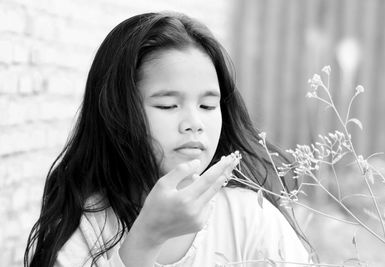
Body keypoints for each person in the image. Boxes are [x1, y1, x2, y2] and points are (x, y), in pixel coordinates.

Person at [24, 12, 312, 267]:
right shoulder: (84, 227)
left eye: (208, 106)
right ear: (117, 112)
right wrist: (146, 239)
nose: (194, 124)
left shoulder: (250, 216)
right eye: (168, 106)